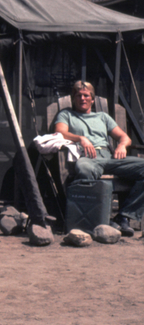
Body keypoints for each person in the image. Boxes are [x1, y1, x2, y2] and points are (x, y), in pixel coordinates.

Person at [53, 80, 144, 237]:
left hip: (110, 157)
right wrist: (80, 138)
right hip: (87, 157)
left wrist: (122, 145)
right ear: (73, 98)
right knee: (84, 169)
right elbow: (60, 133)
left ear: (92, 99)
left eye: (86, 95)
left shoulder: (103, 116)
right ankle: (97, 219)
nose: (83, 99)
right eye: (79, 95)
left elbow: (124, 137)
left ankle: (124, 216)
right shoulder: (66, 114)